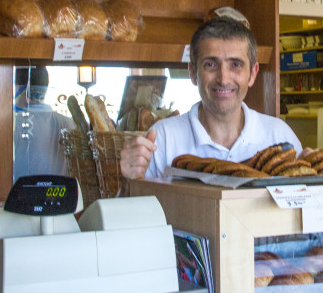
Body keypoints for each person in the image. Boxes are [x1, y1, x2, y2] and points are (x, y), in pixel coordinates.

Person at [119, 17, 300, 180]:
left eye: (235, 65)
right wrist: (131, 181)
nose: (223, 79)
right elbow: (131, 213)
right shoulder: (163, 139)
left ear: (252, 74)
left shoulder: (279, 135)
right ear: (193, 73)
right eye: (211, 64)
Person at [12, 66, 75, 181]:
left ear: (19, 88)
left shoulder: (13, 125)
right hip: (61, 197)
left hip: (22, 196)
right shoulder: (70, 124)